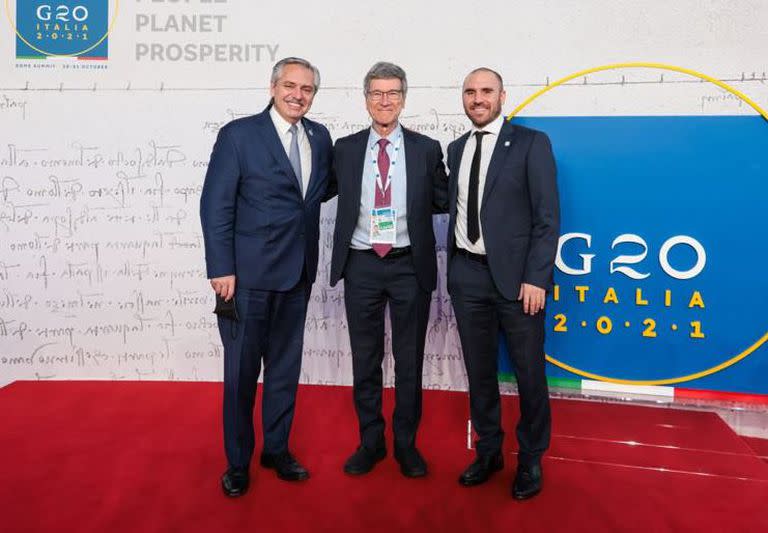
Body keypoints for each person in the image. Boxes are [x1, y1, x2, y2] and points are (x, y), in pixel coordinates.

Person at [200, 57, 334, 497]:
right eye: (290, 86)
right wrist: (221, 268)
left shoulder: (320, 136)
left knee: (283, 371)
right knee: (241, 374)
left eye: (307, 89)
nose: (298, 94)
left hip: (297, 274)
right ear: (273, 87)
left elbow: (317, 192)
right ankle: (238, 462)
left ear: (314, 94)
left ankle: (276, 449)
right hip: (247, 279)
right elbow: (215, 205)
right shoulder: (239, 135)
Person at [329, 62, 448, 478]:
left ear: (404, 98)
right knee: (366, 359)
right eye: (377, 93)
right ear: (365, 99)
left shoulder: (426, 148)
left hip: (408, 265)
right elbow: (318, 192)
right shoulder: (343, 148)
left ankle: (406, 444)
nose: (385, 101)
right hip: (361, 263)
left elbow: (443, 199)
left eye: (393, 93)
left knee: (409, 359)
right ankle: (371, 442)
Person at [446, 67, 560, 499]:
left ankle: (530, 460)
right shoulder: (455, 149)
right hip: (467, 277)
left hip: (518, 284)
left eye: (486, 91)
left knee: (530, 375)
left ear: (502, 96)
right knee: (479, 374)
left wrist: (536, 278)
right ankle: (488, 451)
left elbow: (547, 220)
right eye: (471, 91)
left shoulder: (531, 144)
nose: (478, 98)